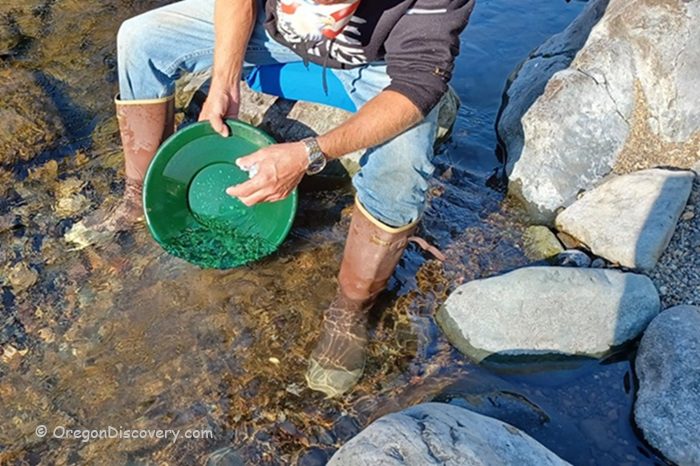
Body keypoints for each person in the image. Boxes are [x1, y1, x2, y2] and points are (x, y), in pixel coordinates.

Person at [92, 0, 474, 397]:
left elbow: (417, 85)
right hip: (274, 37)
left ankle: (350, 309)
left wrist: (312, 152)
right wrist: (224, 82)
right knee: (140, 39)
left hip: (377, 66)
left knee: (402, 169)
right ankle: (138, 197)